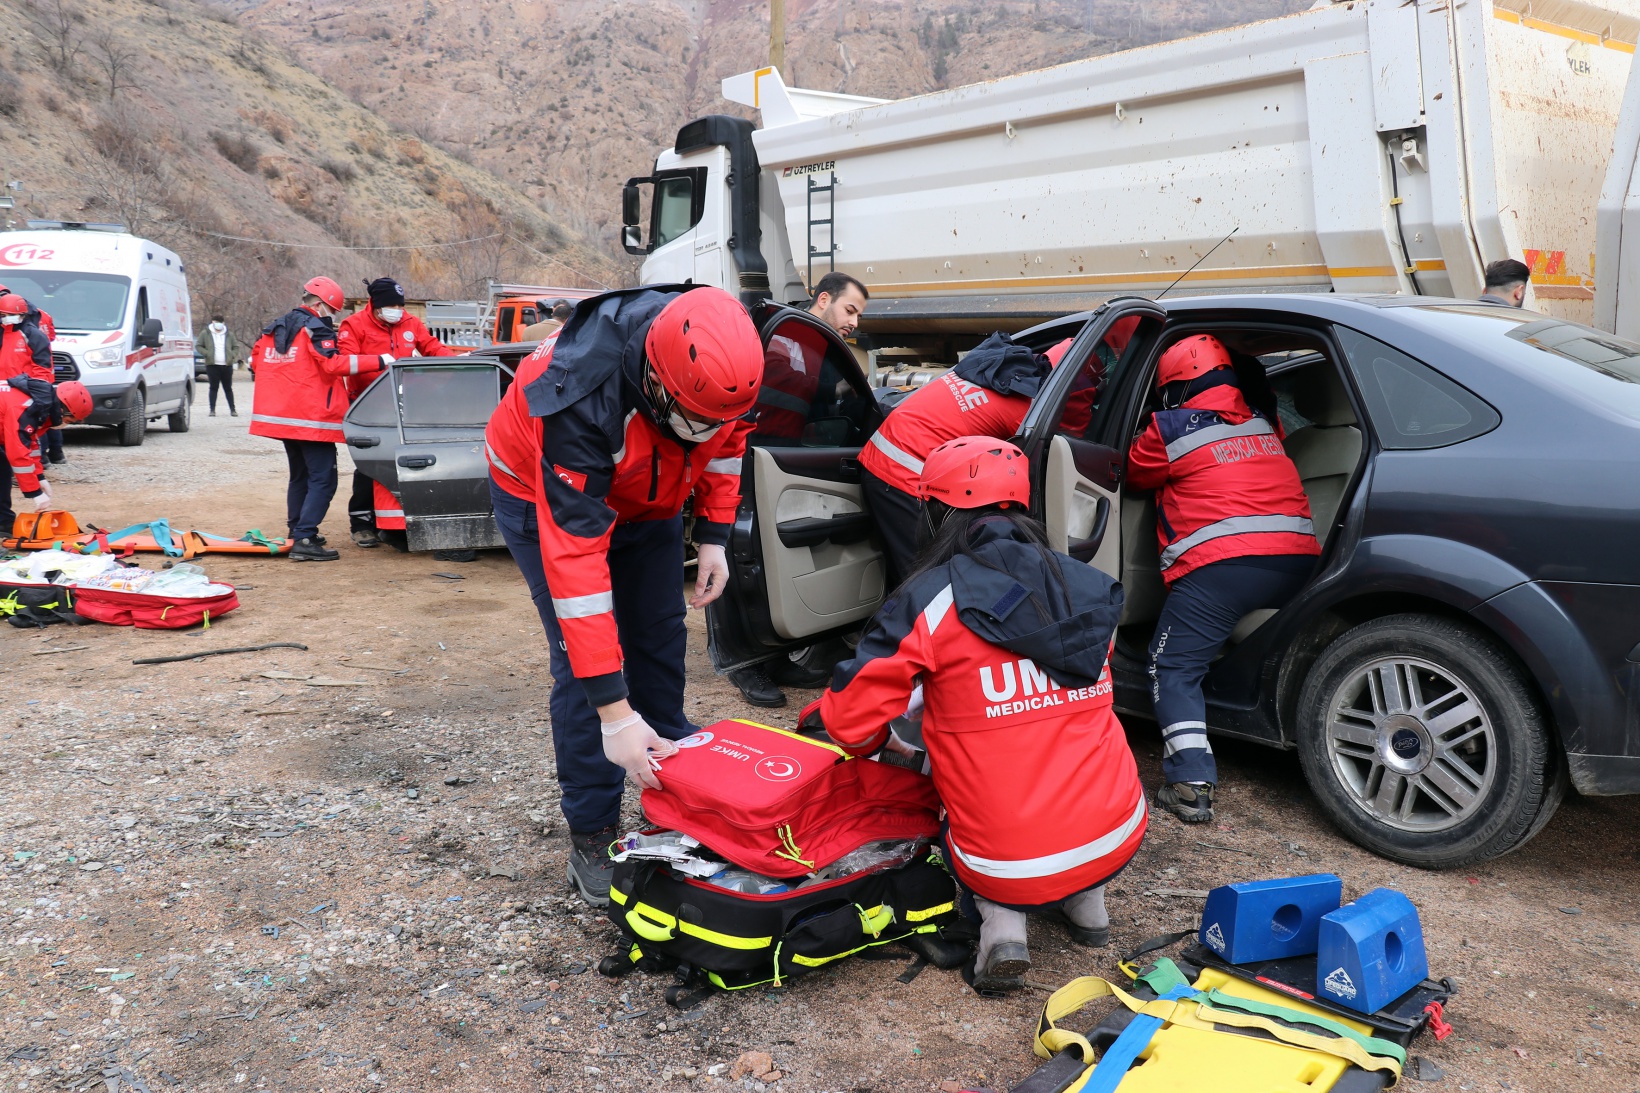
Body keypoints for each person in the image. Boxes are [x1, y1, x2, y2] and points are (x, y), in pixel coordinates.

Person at [799, 436, 1145, 992]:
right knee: (1061, 743)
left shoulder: (931, 598)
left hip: (1007, 858)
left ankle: (1001, 931)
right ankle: (1089, 911)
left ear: (937, 511)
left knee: (965, 796)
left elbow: (848, 720)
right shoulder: (1087, 585)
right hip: (1121, 825)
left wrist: (883, 743)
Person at [483, 285, 761, 907]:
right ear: (659, 387)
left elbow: (726, 445)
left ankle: (668, 786)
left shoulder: (724, 363)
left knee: (660, 634)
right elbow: (579, 576)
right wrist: (614, 713)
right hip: (543, 496)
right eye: (696, 422)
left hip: (648, 496)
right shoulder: (578, 396)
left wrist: (713, 534)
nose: (708, 435)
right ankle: (593, 829)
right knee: (585, 665)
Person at [1126, 334, 1320, 824]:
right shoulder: (1263, 421)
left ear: (1172, 386)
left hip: (1223, 569)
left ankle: (1190, 785)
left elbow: (1130, 474)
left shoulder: (1168, 428)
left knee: (1171, 664)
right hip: (1299, 563)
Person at [725, 272, 873, 706]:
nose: (854, 322)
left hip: (782, 462)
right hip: (742, 458)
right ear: (823, 299)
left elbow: (825, 407)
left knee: (774, 560)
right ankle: (743, 665)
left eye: (859, 315)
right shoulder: (783, 332)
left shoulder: (821, 350)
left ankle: (773, 656)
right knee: (740, 555)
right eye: (850, 309)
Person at [249, 276, 386, 562]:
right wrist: (381, 360)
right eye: (333, 312)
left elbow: (256, 361)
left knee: (299, 476)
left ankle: (296, 530)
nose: (333, 318)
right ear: (321, 305)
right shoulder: (314, 328)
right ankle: (305, 538)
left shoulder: (275, 327)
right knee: (324, 479)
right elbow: (334, 364)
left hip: (285, 418)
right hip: (312, 420)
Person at [336, 278, 461, 548]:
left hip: (402, 404)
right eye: (391, 305)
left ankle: (392, 521)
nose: (396, 309)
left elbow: (431, 347)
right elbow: (345, 362)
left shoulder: (410, 323)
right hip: (367, 403)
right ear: (376, 305)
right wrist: (379, 362)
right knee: (368, 464)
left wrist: (455, 360)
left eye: (399, 305)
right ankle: (361, 524)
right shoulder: (354, 325)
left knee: (401, 462)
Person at [1, 376, 89, 527]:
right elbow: (18, 454)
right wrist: (34, 493)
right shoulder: (23, 407)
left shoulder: (39, 404)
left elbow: (31, 443)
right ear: (62, 410)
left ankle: (3, 522)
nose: (65, 425)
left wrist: (39, 477)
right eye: (68, 421)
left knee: (2, 470)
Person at [196, 315, 241, 417]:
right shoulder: (205, 333)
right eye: (216, 322)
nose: (218, 324)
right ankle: (212, 410)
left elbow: (236, 347)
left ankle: (232, 409)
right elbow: (198, 345)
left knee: (228, 388)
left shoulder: (229, 334)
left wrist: (232, 356)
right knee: (213, 387)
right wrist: (207, 353)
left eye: (220, 322)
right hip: (212, 365)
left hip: (226, 365)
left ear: (223, 323)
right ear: (212, 322)